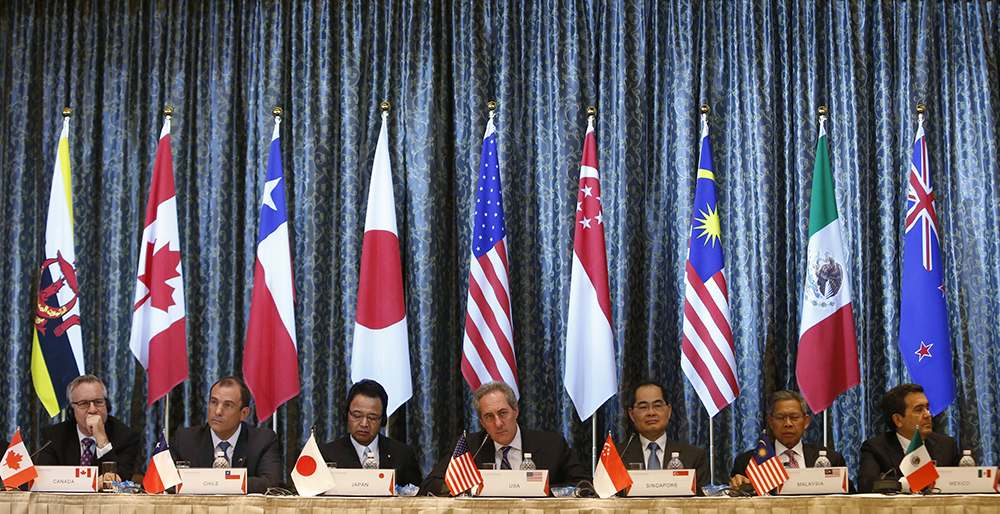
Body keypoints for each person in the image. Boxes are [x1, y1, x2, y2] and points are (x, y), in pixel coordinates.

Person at [418, 381, 591, 496]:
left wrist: (541, 489)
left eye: (503, 413)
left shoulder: (551, 446)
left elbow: (584, 485)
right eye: (489, 417)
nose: (498, 423)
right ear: (481, 422)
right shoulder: (469, 447)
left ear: (515, 411)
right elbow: (429, 485)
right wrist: (471, 488)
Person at [169, 376, 282, 493]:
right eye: (214, 402)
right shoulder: (184, 439)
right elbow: (166, 482)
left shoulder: (262, 440)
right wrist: (229, 483)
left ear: (243, 413)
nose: (217, 411)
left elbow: (272, 483)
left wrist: (218, 483)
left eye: (228, 405)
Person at [730, 390, 848, 490]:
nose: (788, 424)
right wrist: (738, 486)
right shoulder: (748, 463)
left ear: (806, 422)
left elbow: (850, 499)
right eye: (781, 418)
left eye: (794, 417)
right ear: (771, 422)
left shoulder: (831, 459)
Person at [36, 375, 142, 482]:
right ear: (72, 410)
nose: (92, 410)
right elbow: (44, 480)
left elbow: (120, 481)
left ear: (107, 406)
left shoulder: (126, 437)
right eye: (83, 404)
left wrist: (102, 439)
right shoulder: (54, 436)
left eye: (98, 402)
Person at [317, 379, 422, 486]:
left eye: (372, 418)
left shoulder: (403, 455)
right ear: (346, 415)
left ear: (383, 420)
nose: (364, 424)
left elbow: (418, 499)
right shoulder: (326, 455)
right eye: (357, 416)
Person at [857, 383, 959, 492]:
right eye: (919, 410)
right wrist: (911, 483)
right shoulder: (876, 448)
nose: (928, 415)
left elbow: (964, 482)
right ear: (898, 420)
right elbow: (866, 484)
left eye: (927, 408)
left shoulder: (946, 445)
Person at [619, 381, 710, 495]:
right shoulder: (617, 456)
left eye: (657, 406)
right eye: (643, 407)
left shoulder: (694, 457)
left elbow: (702, 506)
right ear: (631, 414)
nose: (651, 413)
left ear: (669, 411)